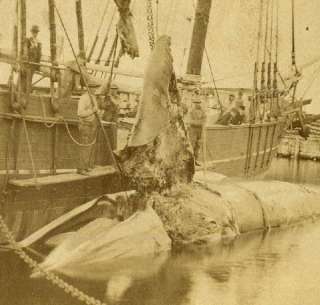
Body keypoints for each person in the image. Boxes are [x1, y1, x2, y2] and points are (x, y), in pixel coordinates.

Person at [77, 92, 99, 175]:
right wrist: (92, 110)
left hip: (92, 125)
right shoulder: (84, 98)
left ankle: (86, 167)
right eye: (92, 87)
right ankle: (81, 168)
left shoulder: (93, 97)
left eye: (95, 87)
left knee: (90, 147)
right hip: (85, 125)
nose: (94, 89)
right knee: (85, 146)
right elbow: (80, 113)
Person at [188, 99, 206, 165]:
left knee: (198, 146)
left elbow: (204, 120)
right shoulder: (191, 111)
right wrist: (199, 122)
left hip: (200, 130)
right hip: (193, 130)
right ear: (194, 103)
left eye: (199, 103)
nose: (197, 104)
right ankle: (190, 161)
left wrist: (199, 122)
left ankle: (196, 160)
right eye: (196, 103)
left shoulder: (203, 111)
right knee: (192, 145)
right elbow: (190, 121)